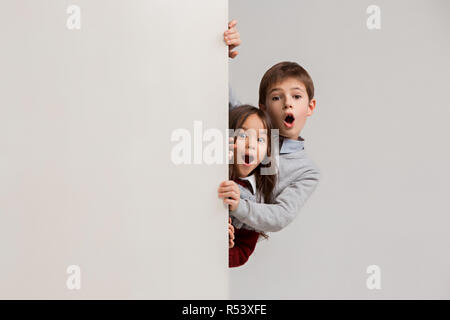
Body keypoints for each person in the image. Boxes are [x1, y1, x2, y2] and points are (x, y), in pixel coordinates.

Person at [220, 61, 321, 233]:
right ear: (264, 108)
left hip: (236, 236)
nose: (287, 103)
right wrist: (222, 50)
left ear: (310, 106)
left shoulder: (307, 172)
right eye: (276, 97)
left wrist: (239, 206)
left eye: (296, 96)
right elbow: (222, 90)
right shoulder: (249, 123)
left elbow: (281, 215)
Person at [220, 105, 277, 267]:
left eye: (260, 139)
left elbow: (242, 252)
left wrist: (225, 249)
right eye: (243, 135)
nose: (251, 144)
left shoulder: (255, 203)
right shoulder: (214, 169)